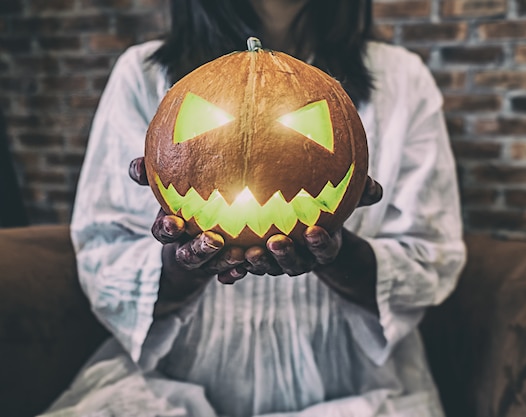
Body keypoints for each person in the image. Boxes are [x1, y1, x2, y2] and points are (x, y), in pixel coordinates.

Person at [43, 0, 466, 416]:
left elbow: (428, 256)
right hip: (174, 385)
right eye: (201, 122)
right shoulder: (142, 74)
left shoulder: (402, 79)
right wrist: (181, 268)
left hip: (353, 388)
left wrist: (339, 258)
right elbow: (105, 256)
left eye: (307, 126)